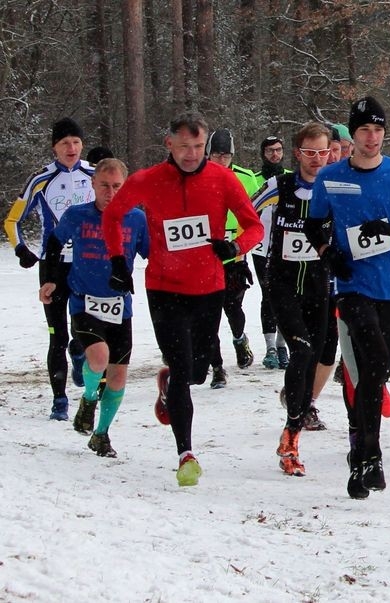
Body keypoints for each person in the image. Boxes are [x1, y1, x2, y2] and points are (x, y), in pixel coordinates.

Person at [102, 111, 263, 486]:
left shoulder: (223, 179)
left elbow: (255, 225)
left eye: (198, 146)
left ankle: (171, 382)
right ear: (168, 144)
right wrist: (116, 260)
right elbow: (113, 216)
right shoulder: (147, 180)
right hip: (164, 287)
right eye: (184, 146)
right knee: (179, 363)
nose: (192, 154)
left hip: (209, 287)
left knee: (195, 372)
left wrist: (234, 247)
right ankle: (185, 453)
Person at [305, 96, 390, 499]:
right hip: (352, 288)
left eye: (378, 131)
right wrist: (329, 255)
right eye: (364, 130)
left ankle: (360, 451)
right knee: (374, 363)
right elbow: (315, 225)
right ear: (353, 134)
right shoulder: (330, 177)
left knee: (373, 373)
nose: (371, 138)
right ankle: (373, 454)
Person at [38, 158, 147, 457]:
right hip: (83, 301)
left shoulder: (136, 219)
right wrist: (50, 280)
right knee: (98, 358)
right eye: (104, 186)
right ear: (93, 185)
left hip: (119, 306)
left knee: (118, 377)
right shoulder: (77, 215)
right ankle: (88, 397)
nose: (110, 193)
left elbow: (153, 252)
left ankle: (101, 434)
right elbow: (53, 244)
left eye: (117, 186)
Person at [252, 122, 336, 476]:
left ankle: (294, 427)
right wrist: (245, 247)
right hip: (283, 284)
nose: (317, 160)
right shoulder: (278, 187)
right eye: (310, 152)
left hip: (319, 286)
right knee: (300, 351)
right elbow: (245, 214)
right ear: (297, 153)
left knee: (313, 357)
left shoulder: (335, 187)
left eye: (323, 152)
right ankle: (291, 437)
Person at [5, 118, 95, 420]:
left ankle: (79, 349)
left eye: (76, 142)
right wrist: (21, 249)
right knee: (56, 335)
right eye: (64, 143)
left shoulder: (94, 174)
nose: (71, 148)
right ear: (54, 147)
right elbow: (11, 220)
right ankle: (60, 401)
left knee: (85, 328)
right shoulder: (41, 179)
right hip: (53, 266)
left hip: (88, 264)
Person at [203, 129, 256, 387]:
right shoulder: (197, 178)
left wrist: (239, 247)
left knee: (233, 309)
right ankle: (217, 368)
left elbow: (257, 219)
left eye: (225, 155)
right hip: (206, 259)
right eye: (215, 155)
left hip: (235, 256)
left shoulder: (246, 179)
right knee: (209, 316)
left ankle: (239, 338)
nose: (220, 160)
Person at [253, 135, 291, 370]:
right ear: (263, 154)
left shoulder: (290, 178)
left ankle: (281, 345)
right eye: (269, 151)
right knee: (267, 294)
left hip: (285, 245)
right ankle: (269, 347)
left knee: (286, 296)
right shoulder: (254, 179)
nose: (274, 155)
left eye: (278, 150)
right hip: (260, 245)